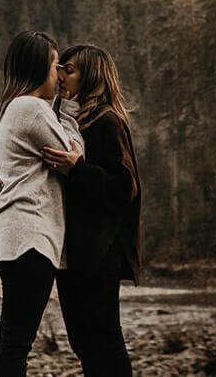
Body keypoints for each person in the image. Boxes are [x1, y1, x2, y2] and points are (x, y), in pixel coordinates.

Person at [0, 30, 83, 377]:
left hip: (14, 232)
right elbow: (76, 155)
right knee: (17, 340)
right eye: (56, 66)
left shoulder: (9, 109)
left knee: (9, 337)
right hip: (31, 233)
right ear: (38, 67)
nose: (59, 76)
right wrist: (70, 109)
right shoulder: (30, 108)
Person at [41, 43, 141, 376]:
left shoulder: (107, 121)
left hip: (100, 250)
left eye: (68, 69)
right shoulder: (72, 120)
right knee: (83, 342)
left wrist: (78, 169)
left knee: (105, 340)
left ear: (91, 76)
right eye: (60, 68)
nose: (61, 76)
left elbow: (125, 188)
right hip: (75, 251)